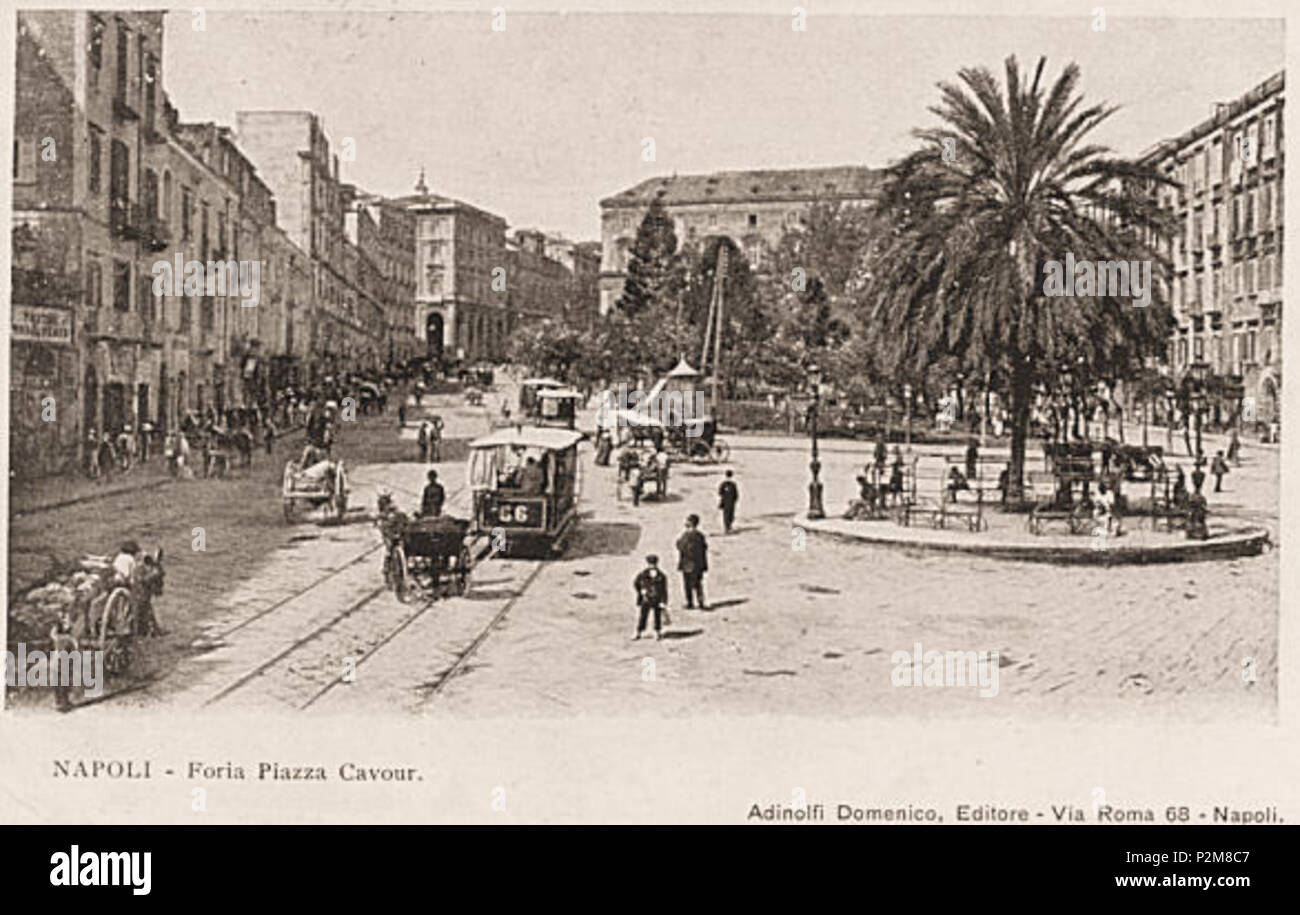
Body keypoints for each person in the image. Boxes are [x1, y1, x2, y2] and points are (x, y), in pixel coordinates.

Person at [632, 554, 669, 641]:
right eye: (650, 564)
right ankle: (638, 632)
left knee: (657, 616)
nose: (652, 565)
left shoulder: (661, 576)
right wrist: (641, 591)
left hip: (657, 598)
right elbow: (636, 583)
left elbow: (664, 590)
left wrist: (664, 602)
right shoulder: (643, 574)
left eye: (654, 564)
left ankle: (657, 632)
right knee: (643, 616)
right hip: (646, 599)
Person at [676, 513, 709, 610]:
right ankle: (700, 602)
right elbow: (704, 548)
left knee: (689, 584)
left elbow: (682, 546)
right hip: (697, 564)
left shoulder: (688, 535)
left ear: (691, 523)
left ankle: (691, 602)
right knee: (697, 584)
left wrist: (679, 545)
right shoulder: (699, 535)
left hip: (688, 563)